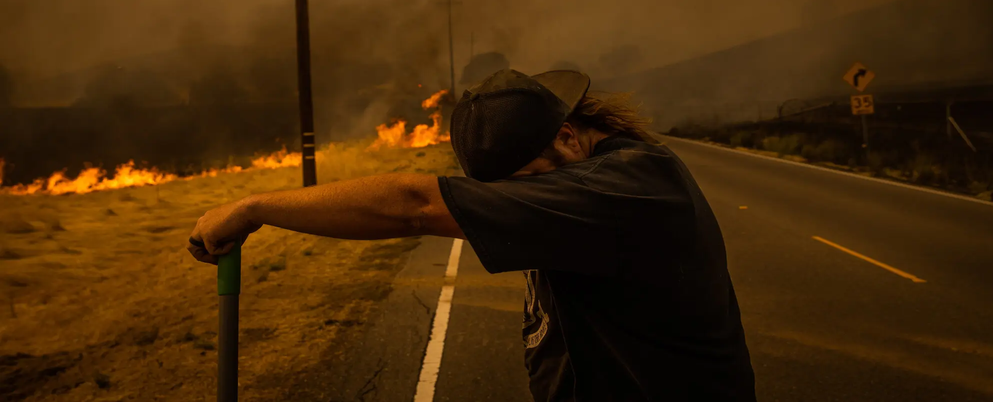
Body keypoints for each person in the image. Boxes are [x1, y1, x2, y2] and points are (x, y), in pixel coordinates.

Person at [187, 69, 756, 401]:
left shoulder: (623, 187)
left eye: (523, 184)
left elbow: (413, 208)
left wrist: (255, 206)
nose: (517, 200)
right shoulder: (588, 177)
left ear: (566, 137)